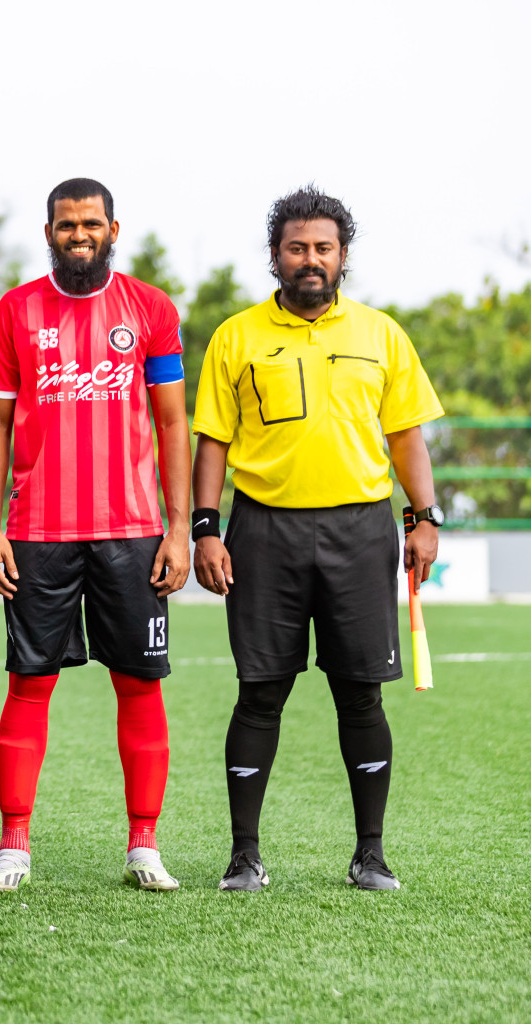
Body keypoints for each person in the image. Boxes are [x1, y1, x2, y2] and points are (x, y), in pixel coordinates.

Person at [192, 186, 444, 892]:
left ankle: (371, 853)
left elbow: (406, 436)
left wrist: (425, 517)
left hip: (361, 531)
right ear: (275, 256)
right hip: (264, 532)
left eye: (324, 248)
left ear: (342, 256)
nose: (311, 260)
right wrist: (205, 528)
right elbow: (212, 441)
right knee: (260, 691)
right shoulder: (237, 336)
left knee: (361, 694)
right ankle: (245, 854)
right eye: (297, 248)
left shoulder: (382, 333)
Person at [0, 178, 191, 893]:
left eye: (90, 223)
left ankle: (144, 845)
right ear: (48, 233)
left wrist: (180, 529)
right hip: (36, 532)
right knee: (28, 684)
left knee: (139, 685)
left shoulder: (152, 310)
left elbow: (170, 424)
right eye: (66, 224)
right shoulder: (15, 311)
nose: (79, 234)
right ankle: (14, 846)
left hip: (133, 531)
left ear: (113, 229)